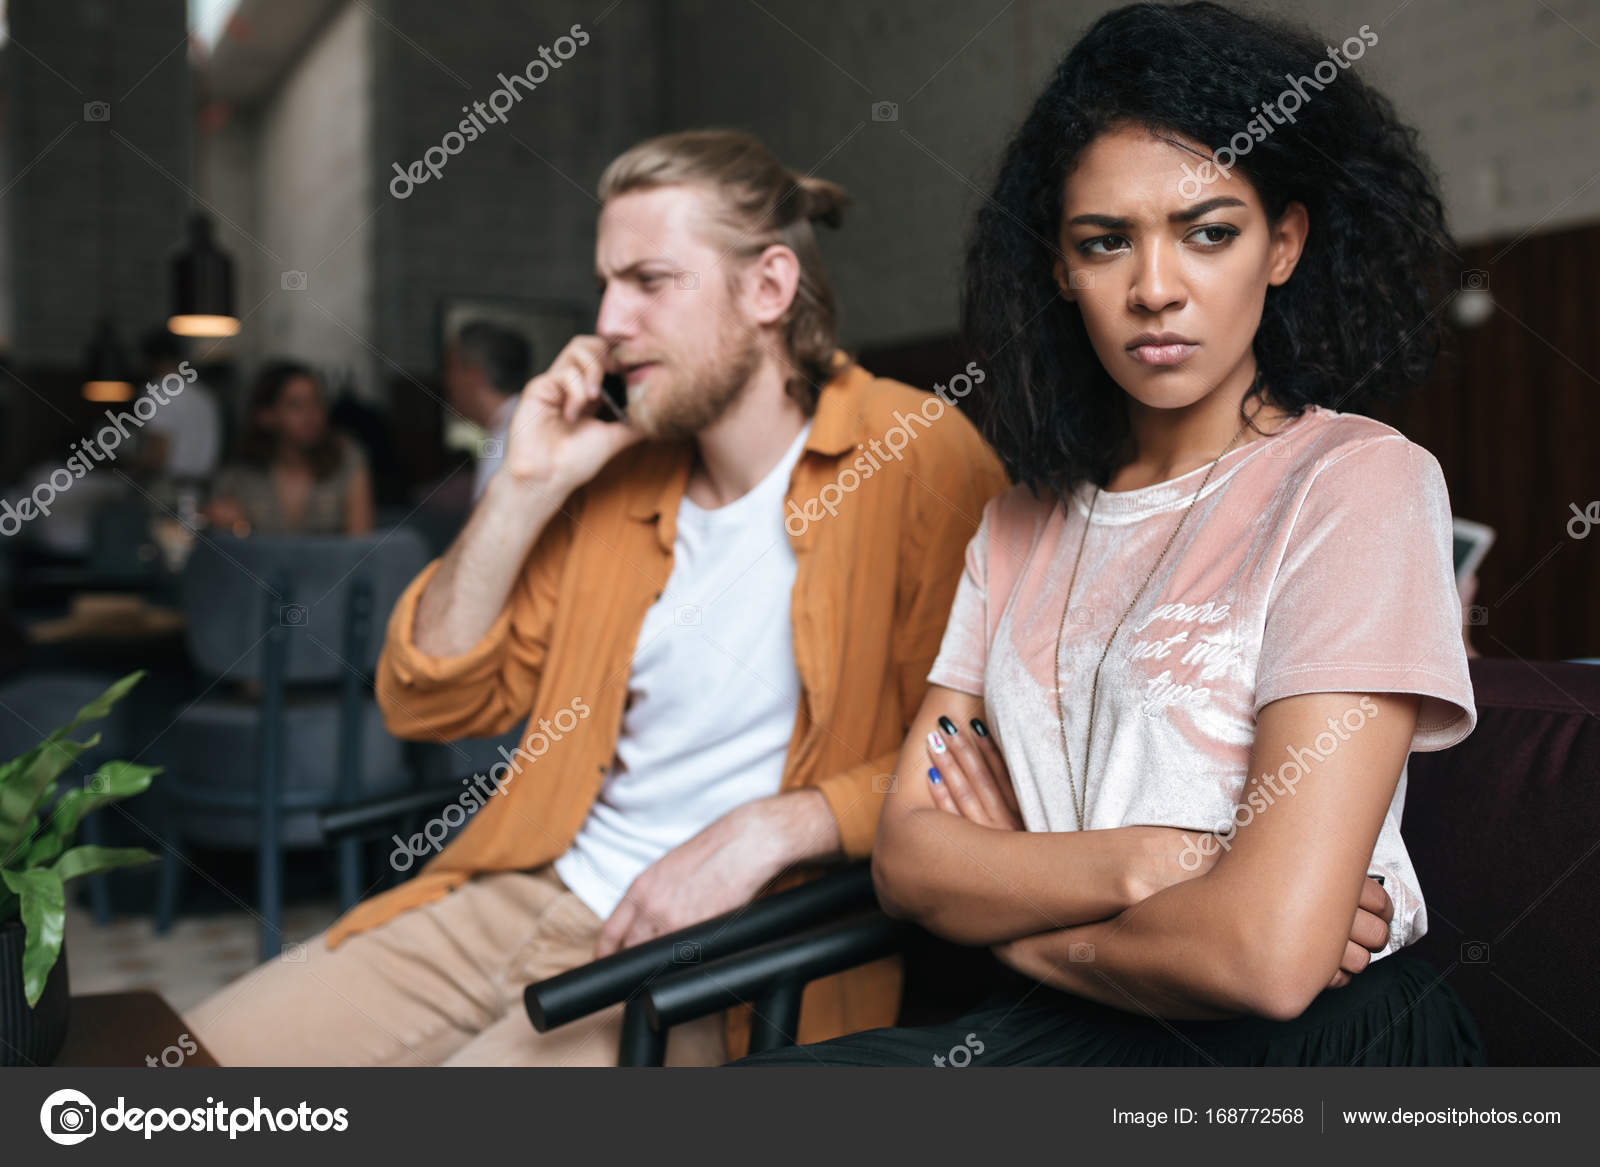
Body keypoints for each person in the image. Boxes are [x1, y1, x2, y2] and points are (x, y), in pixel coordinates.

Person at [736, 1, 1483, 1067]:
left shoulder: (1356, 483)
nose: (1155, 290)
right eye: (1104, 243)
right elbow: (908, 860)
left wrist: (1017, 917)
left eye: (1208, 231)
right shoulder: (1016, 526)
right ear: (1058, 268)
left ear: (1283, 243)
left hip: (1305, 1045)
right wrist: (1152, 861)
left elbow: (1268, 959)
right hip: (1056, 1028)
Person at [184, 129, 1009, 1066]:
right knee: (179, 1079)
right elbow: (429, 699)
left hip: (730, 950)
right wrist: (524, 487)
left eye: (650, 280)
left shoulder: (915, 452)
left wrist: (781, 826)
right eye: (606, 283)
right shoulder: (618, 481)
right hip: (531, 882)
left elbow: (986, 747)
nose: (608, 320)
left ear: (770, 288)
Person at [205, 360, 374, 536]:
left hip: (333, 564)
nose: (311, 415)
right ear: (266, 416)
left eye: (317, 402)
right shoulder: (239, 475)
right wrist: (231, 524)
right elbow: (224, 540)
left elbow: (360, 546)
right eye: (296, 405)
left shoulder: (346, 458)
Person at [443, 321, 534, 499]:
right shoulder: (514, 426)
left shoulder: (504, 442)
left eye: (450, 370)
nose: (446, 381)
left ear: (473, 376)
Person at [133, 329, 222, 485]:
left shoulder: (159, 392)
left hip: (170, 486)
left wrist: (129, 468)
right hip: (206, 485)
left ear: (150, 361)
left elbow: (157, 454)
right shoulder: (204, 394)